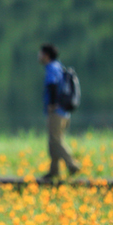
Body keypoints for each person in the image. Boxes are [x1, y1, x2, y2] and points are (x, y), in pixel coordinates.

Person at [38, 43, 80, 181]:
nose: (38, 56)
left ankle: (72, 165)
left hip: (57, 111)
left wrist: (52, 104)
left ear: (46, 55)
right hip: (63, 111)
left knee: (55, 140)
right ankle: (54, 170)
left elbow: (53, 85)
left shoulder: (51, 68)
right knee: (52, 141)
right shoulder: (59, 66)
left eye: (40, 53)